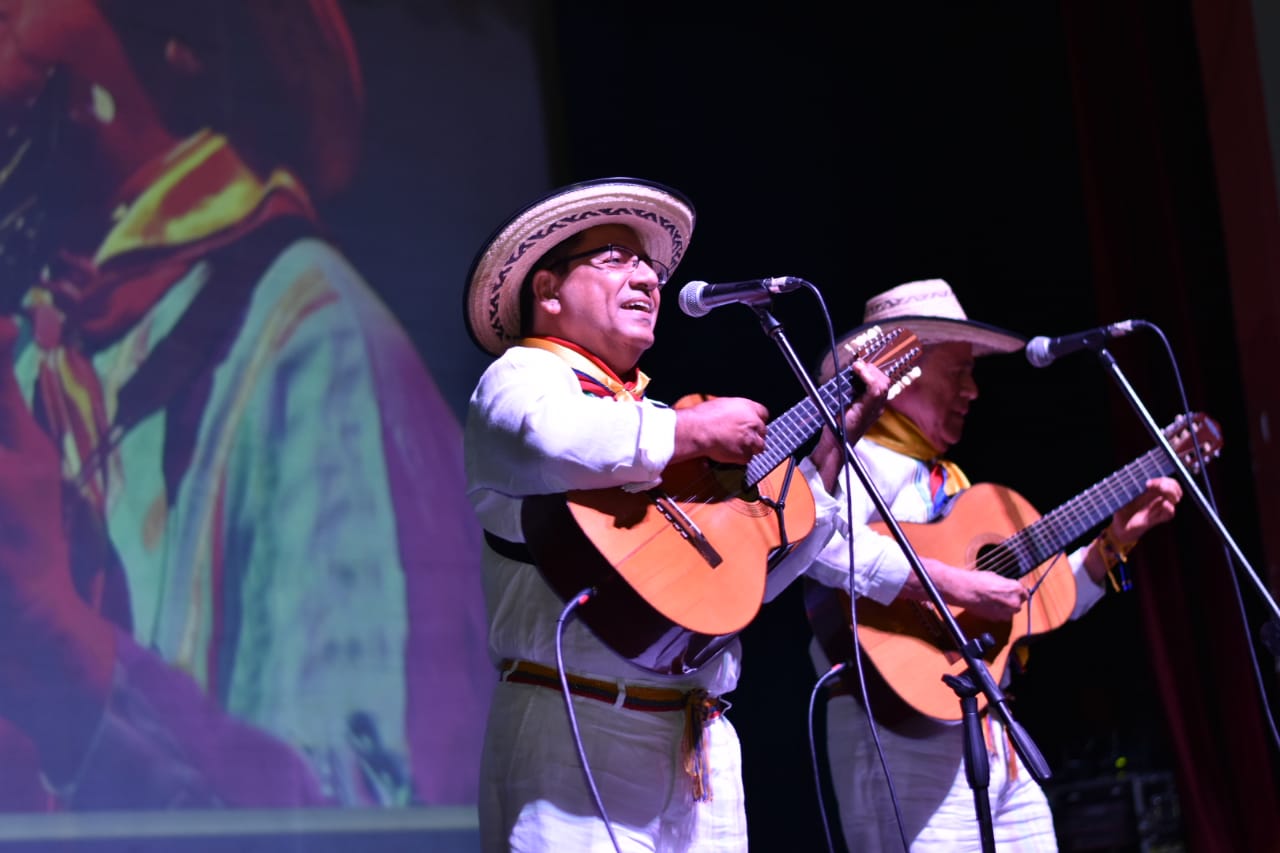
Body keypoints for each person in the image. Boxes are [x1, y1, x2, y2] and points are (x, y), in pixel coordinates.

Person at [0, 1, 489, 809]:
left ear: (181, 39)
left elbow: (378, 809)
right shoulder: (44, 348)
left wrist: (65, 648)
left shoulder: (311, 338)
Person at [462, 176, 893, 851]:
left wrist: (830, 451)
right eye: (616, 257)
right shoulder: (522, 379)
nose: (648, 277)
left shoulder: (655, 423)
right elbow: (546, 435)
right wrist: (692, 434)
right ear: (547, 290)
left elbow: (736, 589)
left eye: (651, 266)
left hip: (701, 746)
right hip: (575, 733)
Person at [803, 279, 1183, 851]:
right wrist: (951, 584)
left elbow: (1037, 606)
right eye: (959, 371)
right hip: (892, 728)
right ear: (903, 369)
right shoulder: (848, 468)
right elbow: (814, 544)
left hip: (993, 731)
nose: (973, 390)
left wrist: (1113, 544)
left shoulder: (956, 487)